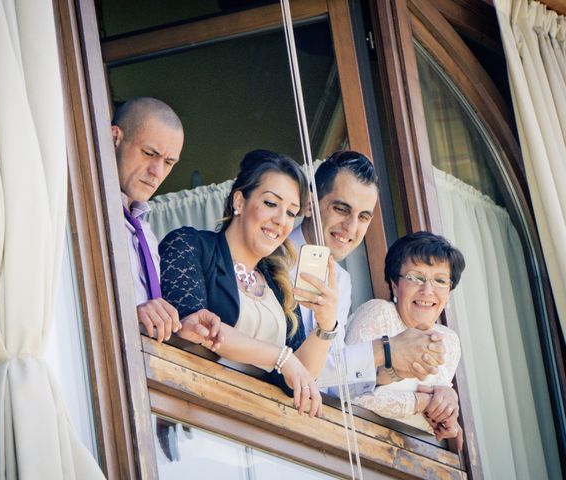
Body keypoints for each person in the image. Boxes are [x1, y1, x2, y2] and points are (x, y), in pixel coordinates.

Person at [159, 150, 339, 417]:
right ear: (239, 201)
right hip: (195, 412)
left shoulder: (279, 285)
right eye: (270, 203)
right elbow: (198, 328)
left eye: (291, 212)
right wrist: (281, 357)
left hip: (258, 427)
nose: (281, 220)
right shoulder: (191, 245)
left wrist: (326, 326)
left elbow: (296, 378)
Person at [289, 151, 448, 397]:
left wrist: (398, 371)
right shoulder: (271, 256)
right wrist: (386, 349)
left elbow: (330, 380)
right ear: (311, 204)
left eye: (363, 217)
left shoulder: (342, 279)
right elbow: (291, 368)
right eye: (342, 209)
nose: (351, 227)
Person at [113, 97, 221, 346]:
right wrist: (132, 315)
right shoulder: (86, 215)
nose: (157, 172)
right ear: (114, 138)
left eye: (169, 162)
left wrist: (180, 327)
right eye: (149, 154)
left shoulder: (147, 236)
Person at [346, 231, 465, 448]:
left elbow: (437, 423)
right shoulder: (379, 314)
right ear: (394, 284)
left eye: (439, 281)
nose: (427, 290)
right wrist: (421, 402)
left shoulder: (449, 341)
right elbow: (349, 394)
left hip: (416, 457)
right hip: (361, 448)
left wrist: (448, 413)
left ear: (449, 293)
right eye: (415, 277)